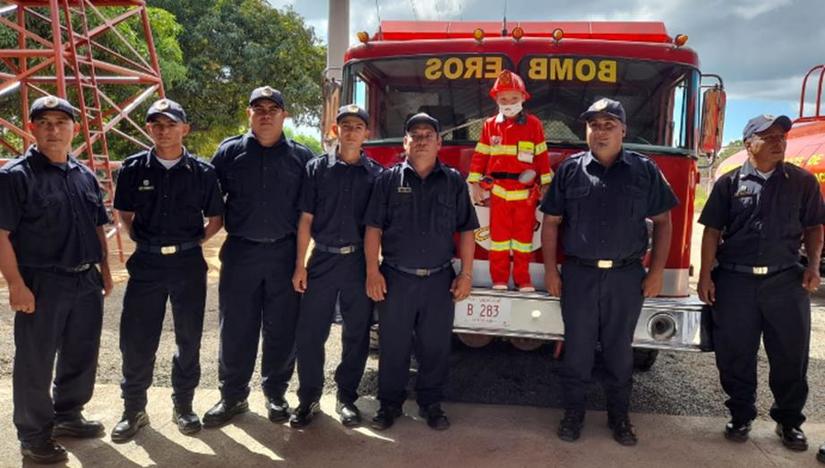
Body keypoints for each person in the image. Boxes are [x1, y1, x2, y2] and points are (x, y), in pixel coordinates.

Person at [540, 98, 677, 446]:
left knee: (619, 353)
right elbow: (552, 222)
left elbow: (664, 222)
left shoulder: (644, 170)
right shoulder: (570, 170)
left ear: (623, 130)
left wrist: (656, 271)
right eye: (594, 125)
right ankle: (573, 415)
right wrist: (552, 271)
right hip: (579, 275)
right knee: (578, 352)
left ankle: (620, 418)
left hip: (625, 277)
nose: (600, 131)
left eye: (608, 125)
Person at [697, 114, 825, 452]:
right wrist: (706, 275)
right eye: (767, 136)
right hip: (735, 282)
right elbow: (711, 232)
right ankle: (740, 415)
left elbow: (814, 228)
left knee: (789, 355)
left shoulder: (802, 182)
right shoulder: (728, 183)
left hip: (785, 281)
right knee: (735, 353)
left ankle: (789, 422)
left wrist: (813, 266)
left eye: (781, 136)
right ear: (749, 142)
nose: (777, 142)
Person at [0, 95, 113, 464]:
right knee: (36, 360)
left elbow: (98, 227)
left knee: (82, 352)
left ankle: (68, 414)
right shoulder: (16, 177)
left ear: (74, 129)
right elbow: (1, 234)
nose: (53, 129)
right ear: (32, 128)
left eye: (61, 122)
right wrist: (16, 284)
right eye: (44, 122)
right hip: (41, 283)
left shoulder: (83, 175)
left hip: (85, 280)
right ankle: (33, 435)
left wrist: (105, 273)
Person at [110, 99, 224, 441]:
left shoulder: (203, 173)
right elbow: (124, 213)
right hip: (146, 264)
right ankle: (134, 411)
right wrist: (143, 241)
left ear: (184, 129)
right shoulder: (132, 169)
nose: (163, 130)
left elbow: (216, 219)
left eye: (171, 124)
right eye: (156, 124)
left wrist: (189, 243)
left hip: (188, 264)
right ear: (149, 129)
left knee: (188, 339)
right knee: (136, 340)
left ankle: (184, 406)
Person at [204, 86, 314, 427]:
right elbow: (206, 199)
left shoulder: (302, 157)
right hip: (241, 252)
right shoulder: (228, 153)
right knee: (236, 328)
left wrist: (302, 262)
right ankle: (233, 395)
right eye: (258, 108)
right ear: (249, 114)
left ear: (284, 115)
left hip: (285, 254)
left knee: (282, 328)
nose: (265, 114)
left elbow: (310, 214)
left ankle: (276, 394)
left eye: (273, 108)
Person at [364, 112, 478, 431]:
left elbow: (467, 230)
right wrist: (373, 272)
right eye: (415, 134)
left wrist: (466, 274)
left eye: (429, 134)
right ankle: (389, 405)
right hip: (396, 278)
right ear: (405, 142)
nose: (422, 139)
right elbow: (373, 229)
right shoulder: (387, 180)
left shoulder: (454, 181)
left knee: (435, 347)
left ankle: (431, 404)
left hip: (439, 280)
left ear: (440, 142)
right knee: (394, 345)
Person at [288, 104, 383, 428]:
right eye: (346, 125)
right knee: (310, 333)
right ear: (335, 131)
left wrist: (374, 269)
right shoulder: (316, 169)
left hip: (357, 262)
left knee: (356, 334)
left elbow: (377, 228)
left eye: (358, 126)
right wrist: (300, 265)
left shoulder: (377, 175)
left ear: (367, 133)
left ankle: (346, 398)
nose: (352, 131)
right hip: (323, 260)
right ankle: (309, 398)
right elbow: (306, 219)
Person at [467, 70, 552, 291]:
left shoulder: (534, 125)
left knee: (524, 242)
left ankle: (523, 280)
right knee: (499, 240)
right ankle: (500, 280)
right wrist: (475, 182)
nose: (509, 103)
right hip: (498, 192)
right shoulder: (489, 125)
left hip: (525, 195)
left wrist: (547, 184)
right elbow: (481, 155)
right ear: (496, 99)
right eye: (503, 99)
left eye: (514, 98)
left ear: (523, 98)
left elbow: (542, 156)